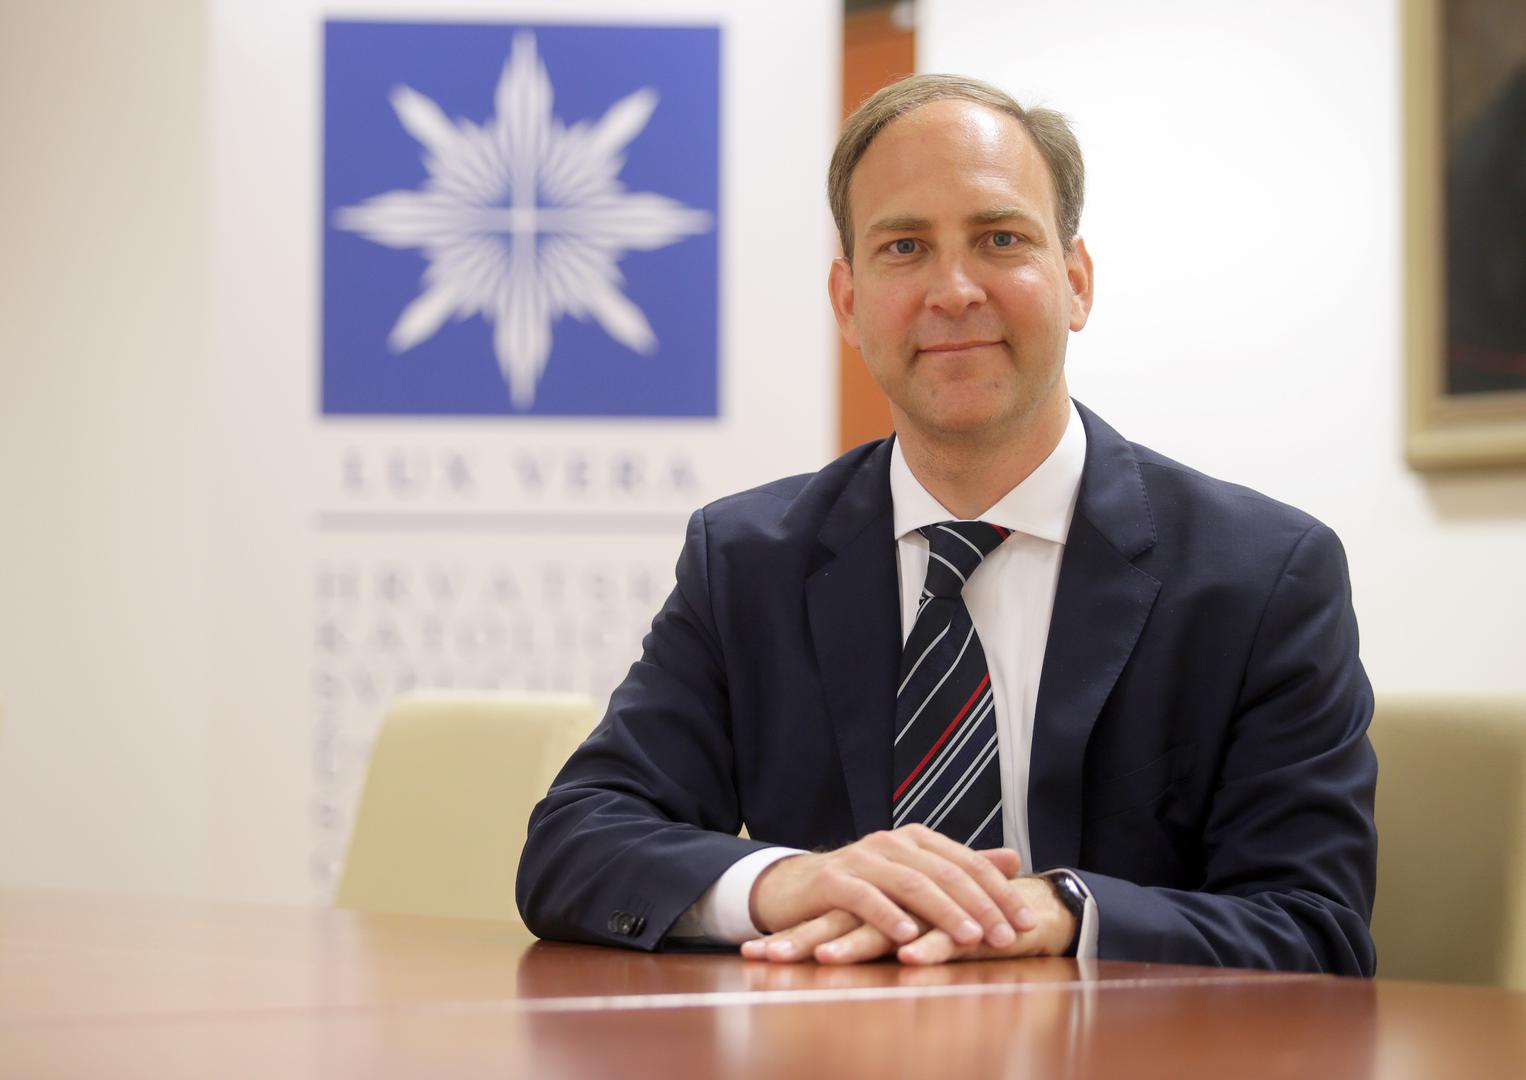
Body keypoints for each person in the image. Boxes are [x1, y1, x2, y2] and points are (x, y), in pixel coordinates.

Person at [516, 74, 1378, 974]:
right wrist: (789, 880)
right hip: (826, 1038)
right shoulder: (747, 561)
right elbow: (577, 841)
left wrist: (1064, 910)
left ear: (1076, 284)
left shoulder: (1264, 577)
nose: (955, 289)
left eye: (1001, 239)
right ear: (847, 303)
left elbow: (1314, 927)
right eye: (904, 247)